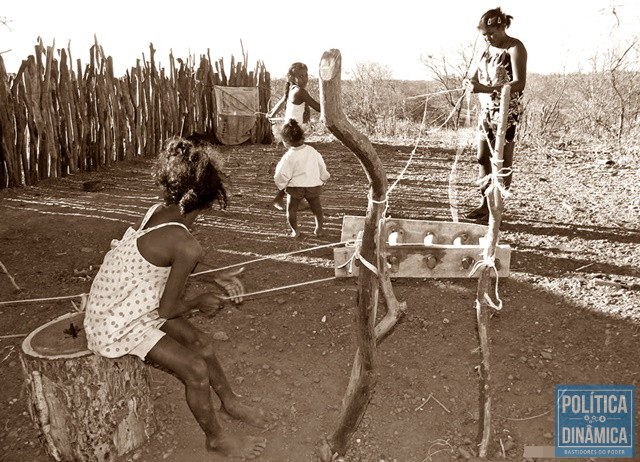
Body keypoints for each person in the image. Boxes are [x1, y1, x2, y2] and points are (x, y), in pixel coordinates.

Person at [83, 137, 267, 459]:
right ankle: (216, 439)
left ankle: (231, 402)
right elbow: (168, 308)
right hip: (118, 321)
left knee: (203, 343)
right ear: (208, 200)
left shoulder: (160, 212)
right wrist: (199, 301)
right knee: (195, 369)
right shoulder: (186, 244)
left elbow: (161, 268)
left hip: (129, 300)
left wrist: (214, 276)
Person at [464, 7, 527, 223]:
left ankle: (495, 205)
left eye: (492, 33)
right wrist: (471, 84)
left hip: (506, 111)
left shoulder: (515, 47)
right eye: (484, 35)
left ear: (503, 27)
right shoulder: (486, 50)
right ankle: (484, 203)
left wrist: (485, 89)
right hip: (486, 109)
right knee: (482, 157)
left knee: (501, 159)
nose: (488, 38)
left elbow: (519, 83)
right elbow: (474, 76)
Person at [267, 62, 321, 211]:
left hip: (291, 132)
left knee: (298, 166)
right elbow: (318, 107)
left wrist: (272, 114)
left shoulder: (292, 89)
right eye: (300, 76)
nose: (304, 79)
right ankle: (279, 198)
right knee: (298, 166)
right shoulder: (300, 92)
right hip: (293, 134)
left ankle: (290, 198)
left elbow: (282, 100)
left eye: (306, 75)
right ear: (292, 77)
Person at [273, 119, 329, 238]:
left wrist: (281, 185)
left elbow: (280, 174)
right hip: (313, 185)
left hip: (295, 188)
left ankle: (295, 231)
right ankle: (319, 229)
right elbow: (321, 166)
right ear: (302, 137)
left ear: (286, 141)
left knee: (291, 210)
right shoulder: (312, 151)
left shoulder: (288, 156)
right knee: (317, 209)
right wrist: (323, 178)